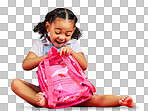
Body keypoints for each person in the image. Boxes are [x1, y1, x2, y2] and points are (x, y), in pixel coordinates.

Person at [11, 8, 134, 108]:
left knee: (95, 98)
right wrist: (46, 56)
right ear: (48, 27)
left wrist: (72, 53)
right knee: (15, 83)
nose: (62, 37)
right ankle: (45, 100)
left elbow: (84, 66)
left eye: (68, 34)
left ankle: (121, 101)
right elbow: (25, 65)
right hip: (50, 90)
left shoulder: (73, 45)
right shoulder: (41, 44)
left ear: (73, 31)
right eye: (58, 32)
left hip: (73, 91)